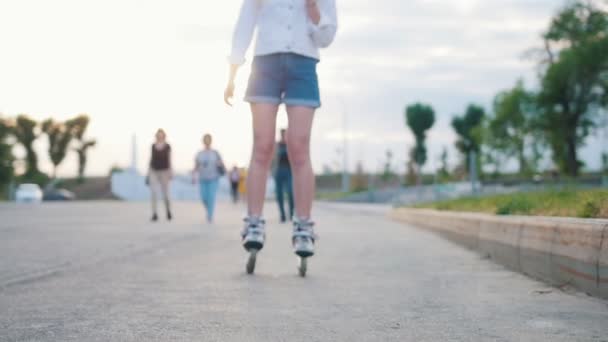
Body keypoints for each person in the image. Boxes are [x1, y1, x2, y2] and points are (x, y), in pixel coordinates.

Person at [224, 0, 337, 258]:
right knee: (263, 146)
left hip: (303, 65)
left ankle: (304, 226)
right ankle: (253, 222)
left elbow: (327, 37)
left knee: (299, 148)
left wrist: (313, 11)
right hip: (265, 65)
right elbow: (245, 23)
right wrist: (232, 72)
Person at [192, 134, 225, 223]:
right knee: (204, 197)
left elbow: (221, 164)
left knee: (211, 197)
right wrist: (194, 176)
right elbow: (196, 166)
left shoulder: (215, 153)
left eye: (208, 140)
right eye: (205, 140)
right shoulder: (199, 154)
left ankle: (210, 215)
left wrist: (219, 164)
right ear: (203, 141)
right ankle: (208, 210)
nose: (207, 142)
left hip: (213, 178)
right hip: (202, 178)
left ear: (211, 141)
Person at [147, 129, 173, 222]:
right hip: (154, 171)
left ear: (164, 136)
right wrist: (148, 172)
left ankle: (168, 211)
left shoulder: (167, 146)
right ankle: (154, 213)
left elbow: (169, 159)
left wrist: (170, 172)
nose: (159, 137)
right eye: (158, 136)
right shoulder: (153, 146)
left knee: (165, 194)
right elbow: (151, 159)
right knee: (154, 193)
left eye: (161, 135)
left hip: (164, 171)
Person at [274, 128, 294, 223]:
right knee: (279, 194)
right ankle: (282, 214)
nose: (284, 136)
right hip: (279, 170)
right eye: (282, 134)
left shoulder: (292, 144)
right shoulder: (277, 145)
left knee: (291, 192)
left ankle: (292, 213)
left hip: (289, 171)